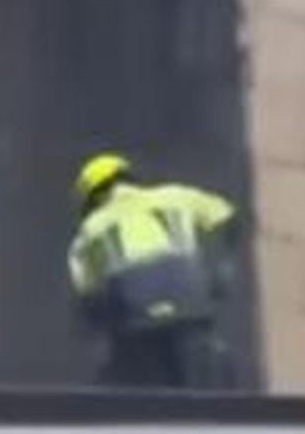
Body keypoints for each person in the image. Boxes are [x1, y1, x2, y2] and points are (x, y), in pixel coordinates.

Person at [67, 153, 237, 390]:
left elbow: (87, 291)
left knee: (124, 378)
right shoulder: (175, 195)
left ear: (90, 199)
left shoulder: (89, 231)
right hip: (188, 295)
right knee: (210, 373)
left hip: (133, 313)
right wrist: (222, 269)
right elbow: (227, 216)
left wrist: (98, 336)